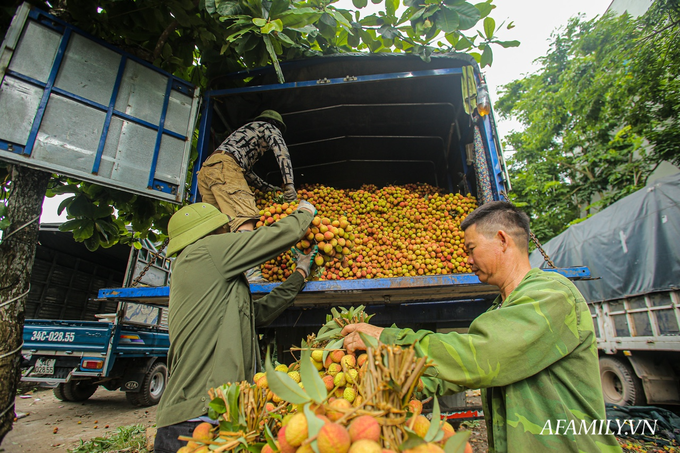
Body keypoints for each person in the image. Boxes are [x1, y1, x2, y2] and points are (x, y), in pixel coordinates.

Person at [341, 201, 622, 453]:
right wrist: (381, 379)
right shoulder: (498, 311)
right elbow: (452, 373)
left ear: (502, 240)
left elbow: (480, 357)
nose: (468, 261)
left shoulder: (552, 294)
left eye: (471, 249)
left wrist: (386, 339)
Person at [154, 201, 317, 453]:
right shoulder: (204, 251)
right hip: (195, 420)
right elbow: (269, 238)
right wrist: (304, 213)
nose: (228, 233)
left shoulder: (210, 272)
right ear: (211, 231)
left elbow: (257, 315)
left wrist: (299, 274)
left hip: (214, 417)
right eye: (224, 229)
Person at [197, 110, 296, 282]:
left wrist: (270, 189)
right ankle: (251, 272)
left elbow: (247, 174)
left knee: (219, 227)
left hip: (207, 171)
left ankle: (216, 276)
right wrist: (289, 184)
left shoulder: (244, 136)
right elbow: (282, 153)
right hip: (224, 167)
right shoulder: (269, 128)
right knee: (244, 217)